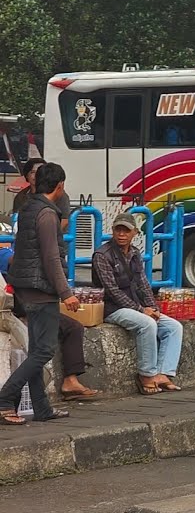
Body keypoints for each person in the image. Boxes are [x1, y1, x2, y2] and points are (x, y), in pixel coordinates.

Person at [0, 163, 78, 424]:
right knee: (44, 351)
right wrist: (66, 292)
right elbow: (51, 258)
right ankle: (4, 398)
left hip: (27, 287)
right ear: (59, 187)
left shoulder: (28, 208)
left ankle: (42, 408)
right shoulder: (47, 214)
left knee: (36, 351)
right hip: (40, 290)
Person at [93, 213, 183, 395]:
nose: (121, 234)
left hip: (135, 305)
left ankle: (163, 373)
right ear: (112, 231)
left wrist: (154, 308)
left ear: (134, 232)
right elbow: (112, 291)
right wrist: (142, 310)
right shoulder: (102, 255)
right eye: (118, 229)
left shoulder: (135, 253)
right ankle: (146, 375)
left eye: (126, 230)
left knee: (174, 327)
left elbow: (143, 284)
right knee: (147, 324)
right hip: (113, 308)